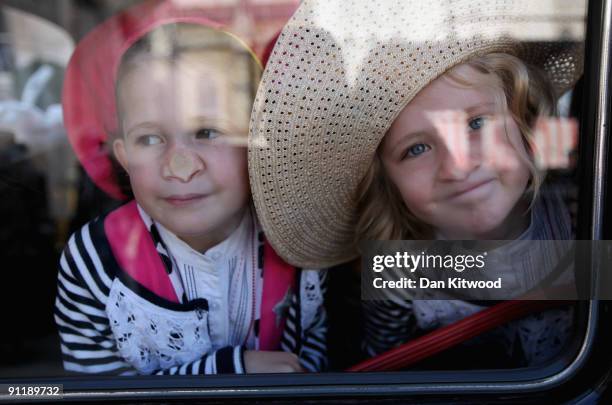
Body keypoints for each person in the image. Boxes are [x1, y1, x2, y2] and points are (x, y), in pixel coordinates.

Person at [247, 0, 584, 368]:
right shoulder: (398, 266)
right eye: (416, 148)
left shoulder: (583, 218)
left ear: (521, 118)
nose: (457, 166)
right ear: (387, 183)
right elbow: (387, 372)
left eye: (475, 124)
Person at [56, 1, 327, 376]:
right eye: (149, 139)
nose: (180, 167)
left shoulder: (300, 242)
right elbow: (97, 391)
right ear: (123, 156)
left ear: (256, 142)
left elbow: (314, 348)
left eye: (208, 132)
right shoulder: (93, 261)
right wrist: (233, 370)